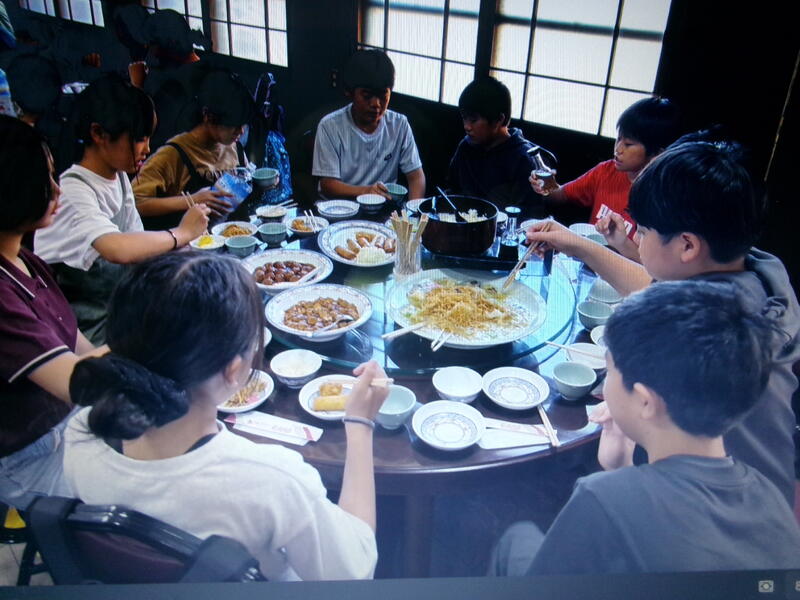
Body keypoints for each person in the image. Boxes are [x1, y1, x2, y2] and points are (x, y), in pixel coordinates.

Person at [63, 251, 387, 581]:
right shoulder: (272, 479)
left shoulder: (82, 431)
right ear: (233, 370)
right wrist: (360, 424)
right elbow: (354, 573)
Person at [525, 135, 800, 507]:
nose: (637, 239)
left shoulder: (701, 331)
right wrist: (578, 244)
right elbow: (658, 287)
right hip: (765, 497)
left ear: (687, 245)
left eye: (643, 231)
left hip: (713, 509)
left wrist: (618, 459)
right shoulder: (757, 271)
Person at [490, 280, 800, 575]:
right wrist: (621, 468)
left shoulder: (600, 498)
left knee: (517, 538)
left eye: (610, 371)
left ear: (645, 401)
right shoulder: (770, 497)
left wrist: (614, 478)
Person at [35, 75, 209, 343]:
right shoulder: (72, 191)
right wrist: (181, 233)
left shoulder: (118, 177)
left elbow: (137, 245)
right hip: (88, 332)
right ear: (98, 134)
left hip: (122, 311)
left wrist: (186, 254)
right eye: (139, 138)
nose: (147, 148)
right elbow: (117, 248)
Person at [0, 116, 107, 510]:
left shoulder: (25, 259)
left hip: (69, 422)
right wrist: (154, 326)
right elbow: (77, 380)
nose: (57, 189)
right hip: (30, 456)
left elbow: (81, 349)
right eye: (45, 178)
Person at [530, 97, 681, 258]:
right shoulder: (607, 171)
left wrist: (620, 242)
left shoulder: (664, 198)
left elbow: (651, 264)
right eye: (618, 138)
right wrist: (546, 185)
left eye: (628, 144)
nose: (618, 149)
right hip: (586, 263)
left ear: (657, 153)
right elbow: (560, 196)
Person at [132, 66, 254, 230]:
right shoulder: (173, 153)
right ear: (208, 116)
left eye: (243, 124)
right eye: (234, 125)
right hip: (192, 241)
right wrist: (191, 200)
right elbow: (135, 202)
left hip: (235, 236)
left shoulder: (234, 147)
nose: (241, 131)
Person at [312, 49, 425, 200]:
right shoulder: (330, 126)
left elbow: (416, 177)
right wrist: (366, 191)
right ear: (350, 92)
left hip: (384, 207)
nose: (376, 104)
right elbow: (328, 185)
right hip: (340, 207)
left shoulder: (399, 125)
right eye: (367, 96)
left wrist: (412, 210)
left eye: (383, 96)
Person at [447, 76, 543, 217]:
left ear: (499, 120)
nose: (466, 126)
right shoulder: (466, 146)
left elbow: (530, 214)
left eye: (473, 120)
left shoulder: (523, 159)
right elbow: (452, 190)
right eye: (464, 118)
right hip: (461, 224)